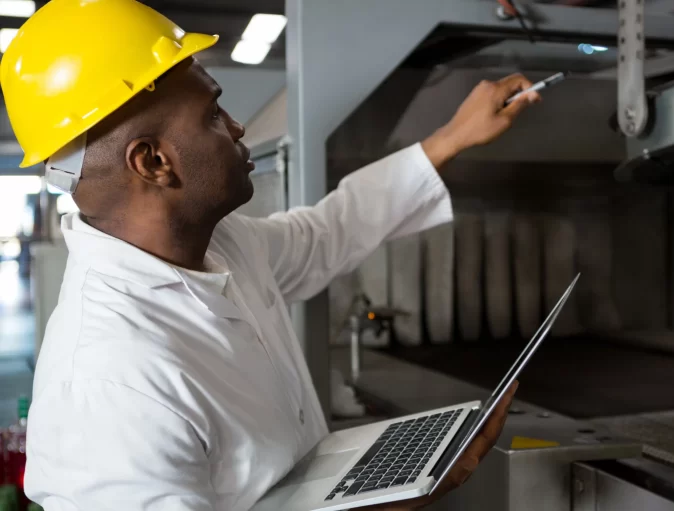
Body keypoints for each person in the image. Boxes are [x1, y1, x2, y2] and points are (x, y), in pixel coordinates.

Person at [1, 1, 540, 509]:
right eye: (213, 114)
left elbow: (327, 232)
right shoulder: (107, 382)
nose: (238, 127)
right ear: (153, 161)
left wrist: (451, 138)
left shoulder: (218, 245)